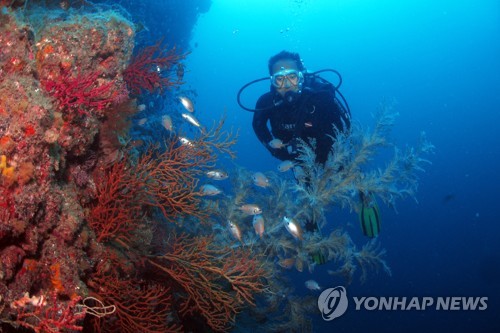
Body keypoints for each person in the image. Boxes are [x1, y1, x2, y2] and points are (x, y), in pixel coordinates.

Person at [252, 50, 351, 167]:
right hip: (296, 160)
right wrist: (277, 152)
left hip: (332, 157)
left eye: (292, 76)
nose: (287, 85)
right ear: (272, 81)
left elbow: (341, 129)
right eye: (279, 79)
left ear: (301, 77)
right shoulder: (266, 103)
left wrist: (323, 156)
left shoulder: (320, 97)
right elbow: (258, 126)